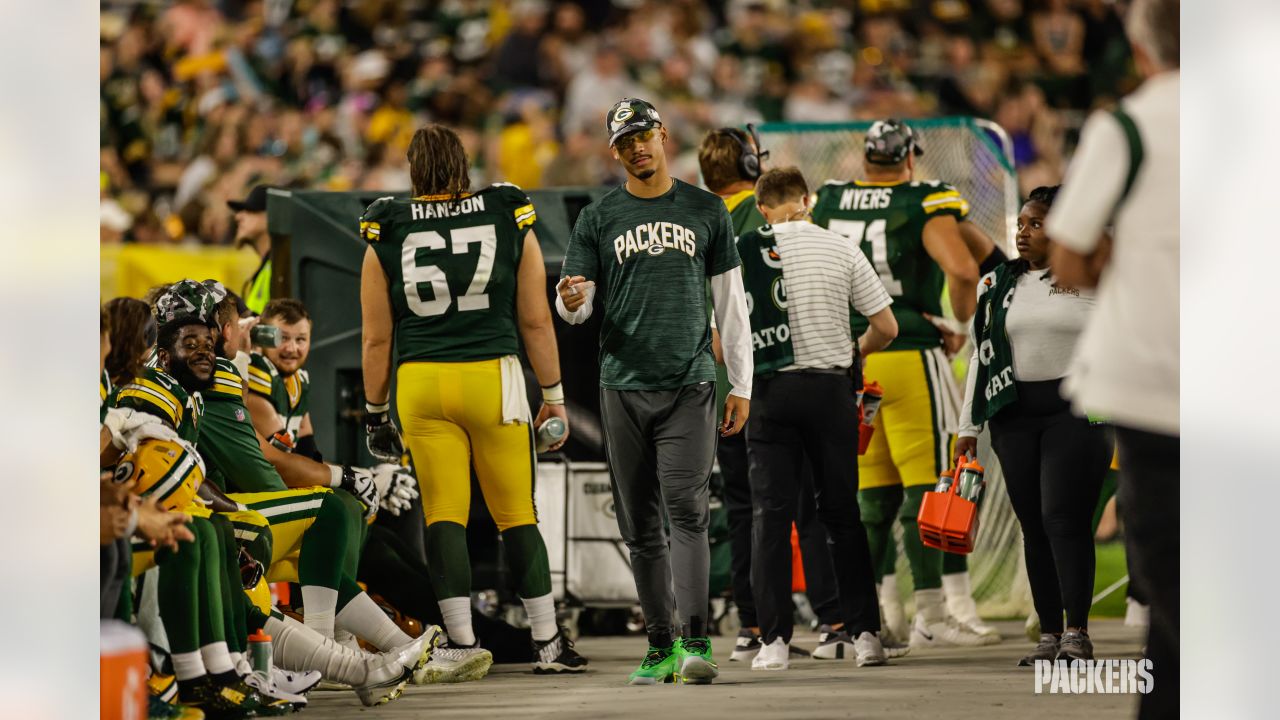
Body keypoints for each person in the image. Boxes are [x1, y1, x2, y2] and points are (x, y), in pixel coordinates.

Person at [360, 123, 587, 680]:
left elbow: (375, 339)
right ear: (464, 163)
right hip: (494, 377)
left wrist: (374, 410)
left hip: (421, 383)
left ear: (414, 169)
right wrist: (554, 397)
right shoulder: (506, 209)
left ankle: (461, 643)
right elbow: (535, 318)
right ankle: (547, 641)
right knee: (517, 515)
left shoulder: (386, 222)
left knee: (443, 516)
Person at [556, 98, 753, 685]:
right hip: (622, 385)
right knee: (638, 524)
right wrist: (570, 302)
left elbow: (732, 306)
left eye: (644, 135)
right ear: (613, 152)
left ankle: (696, 643)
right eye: (625, 142)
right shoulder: (598, 217)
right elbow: (577, 304)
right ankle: (659, 644)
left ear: (664, 135)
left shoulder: (706, 208)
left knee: (688, 512)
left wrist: (741, 382)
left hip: (690, 383)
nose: (637, 147)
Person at [811, 118, 996, 648]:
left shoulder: (829, 199)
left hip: (852, 361)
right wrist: (960, 328)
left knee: (871, 498)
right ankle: (934, 616)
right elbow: (962, 271)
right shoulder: (924, 199)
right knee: (932, 489)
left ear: (867, 158)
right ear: (910, 157)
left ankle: (876, 616)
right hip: (910, 351)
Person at [1045, 1, 1178, 715]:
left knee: (1168, 577)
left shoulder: (1124, 126)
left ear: (1139, 46)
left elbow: (1066, 258)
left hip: (1150, 380)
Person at [739, 167, 899, 670]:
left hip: (770, 392)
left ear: (763, 208)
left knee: (771, 517)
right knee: (841, 514)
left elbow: (726, 339)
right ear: (807, 200)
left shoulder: (746, 251)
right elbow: (886, 327)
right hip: (831, 391)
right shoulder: (841, 247)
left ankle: (774, 643)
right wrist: (854, 350)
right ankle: (866, 635)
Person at [955, 185, 1110, 665]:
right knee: (1033, 527)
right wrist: (967, 429)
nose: (1023, 233)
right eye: (1021, 224)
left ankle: (1077, 633)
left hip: (1076, 412)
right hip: (1013, 415)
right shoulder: (995, 284)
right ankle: (1049, 634)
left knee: (1063, 519)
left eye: (1036, 224)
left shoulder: (1094, 278)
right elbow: (981, 360)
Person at [229, 185, 275, 315]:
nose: (238, 217)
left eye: (250, 210)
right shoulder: (267, 267)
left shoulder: (280, 269)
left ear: (271, 216)